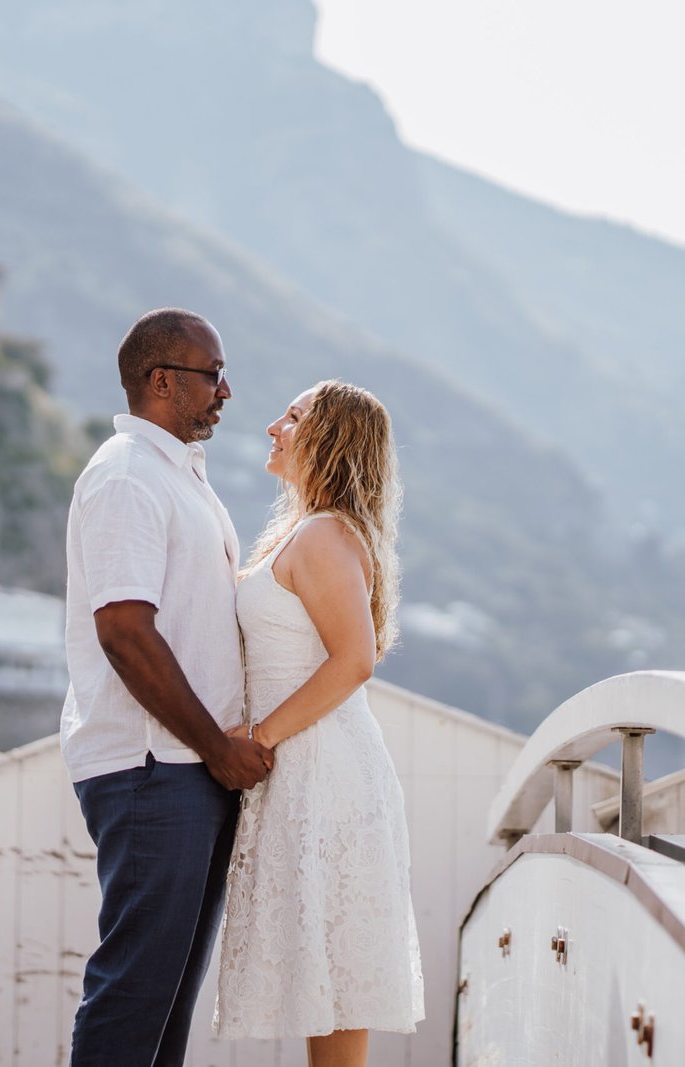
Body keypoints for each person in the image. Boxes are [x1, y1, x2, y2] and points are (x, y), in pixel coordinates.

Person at [61, 307, 276, 1066]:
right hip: (154, 768)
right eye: (212, 374)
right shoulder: (126, 475)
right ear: (161, 381)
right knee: (135, 991)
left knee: (169, 996)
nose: (227, 391)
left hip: (187, 769)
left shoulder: (177, 477)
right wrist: (216, 746)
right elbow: (124, 630)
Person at [214, 380, 425, 1067]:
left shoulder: (327, 534)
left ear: (330, 437)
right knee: (321, 975)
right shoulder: (305, 531)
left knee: (335, 977)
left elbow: (354, 660)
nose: (275, 425)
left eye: (295, 416)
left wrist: (259, 737)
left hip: (322, 766)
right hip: (301, 764)